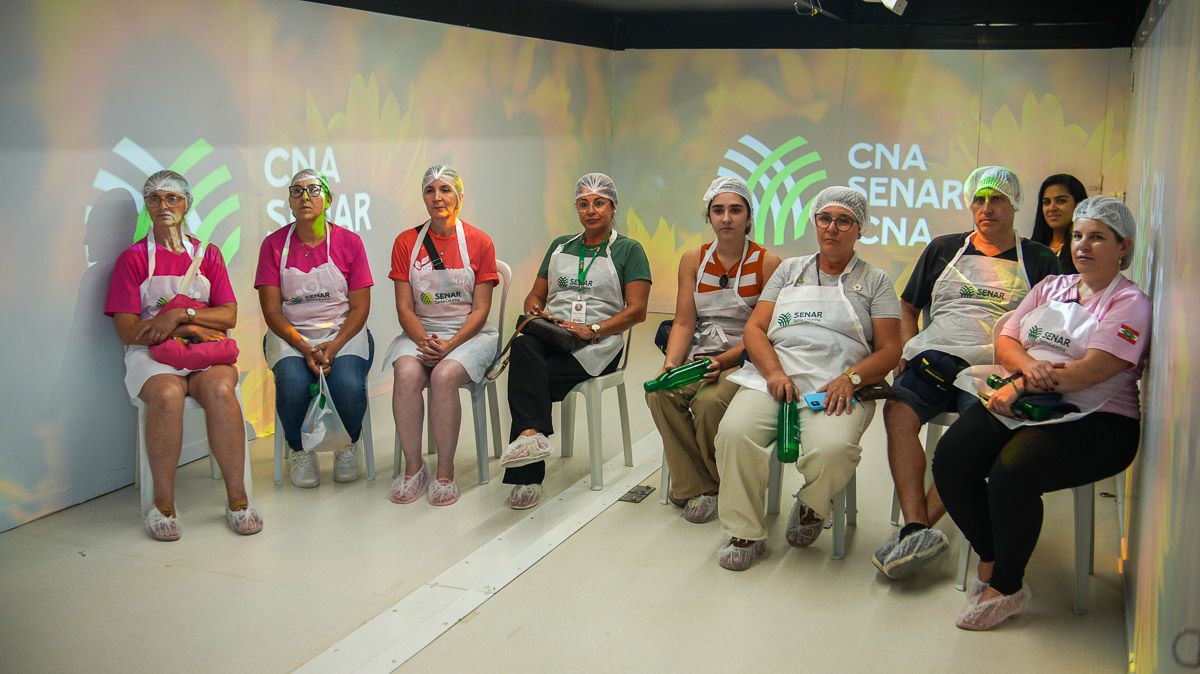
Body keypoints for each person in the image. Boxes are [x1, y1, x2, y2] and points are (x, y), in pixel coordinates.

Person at [932, 197, 1150, 630]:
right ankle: (992, 555)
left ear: (1123, 246)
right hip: (1030, 400)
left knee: (1012, 471)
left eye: (1097, 238)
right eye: (1078, 236)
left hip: (1100, 420)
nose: (1082, 245)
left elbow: (1092, 372)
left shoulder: (1130, 304)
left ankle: (1007, 585)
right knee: (952, 459)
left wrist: (1022, 382)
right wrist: (1027, 370)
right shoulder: (1051, 286)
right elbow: (1007, 341)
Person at [873, 166, 1061, 579]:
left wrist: (1024, 372)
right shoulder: (943, 248)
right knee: (897, 411)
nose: (987, 208)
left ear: (1015, 205)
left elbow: (1057, 325)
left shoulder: (1039, 259)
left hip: (995, 366)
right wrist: (907, 348)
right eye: (980, 199)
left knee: (969, 440)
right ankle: (916, 527)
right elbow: (907, 305)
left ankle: (917, 532)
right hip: (936, 354)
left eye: (997, 199)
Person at [713, 186, 901, 570]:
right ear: (815, 222)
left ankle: (813, 505)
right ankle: (745, 530)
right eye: (825, 218)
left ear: (860, 228)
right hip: (777, 376)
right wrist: (773, 372)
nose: (832, 228)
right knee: (734, 433)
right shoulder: (789, 270)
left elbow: (889, 350)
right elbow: (755, 329)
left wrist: (851, 378)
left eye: (844, 221)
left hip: (837, 385)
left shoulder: (876, 280)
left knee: (832, 449)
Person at [104, 170, 262, 540]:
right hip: (152, 355)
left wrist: (178, 317)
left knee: (221, 390)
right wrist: (193, 327)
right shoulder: (133, 259)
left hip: (203, 352)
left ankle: (238, 500)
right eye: (154, 199)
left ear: (186, 203)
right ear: (146, 206)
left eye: (172, 198)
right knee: (167, 394)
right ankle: (163, 505)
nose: (164, 205)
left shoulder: (208, 255)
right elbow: (128, 331)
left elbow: (229, 315)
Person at [498, 173, 651, 510]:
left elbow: (638, 311)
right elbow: (534, 296)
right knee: (523, 346)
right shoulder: (560, 246)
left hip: (600, 344)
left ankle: (527, 470)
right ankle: (531, 438)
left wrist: (593, 329)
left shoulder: (629, 250)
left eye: (599, 203)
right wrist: (537, 312)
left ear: (613, 207)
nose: (591, 210)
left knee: (528, 375)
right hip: (556, 335)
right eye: (583, 204)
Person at [646, 176, 780, 523]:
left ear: (748, 217)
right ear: (709, 217)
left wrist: (723, 361)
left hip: (745, 359)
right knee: (660, 393)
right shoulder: (694, 259)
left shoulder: (768, 263)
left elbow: (764, 331)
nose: (726, 218)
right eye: (718, 210)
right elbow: (683, 322)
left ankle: (707, 484)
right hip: (701, 352)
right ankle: (702, 484)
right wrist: (671, 363)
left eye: (735, 210)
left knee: (708, 404)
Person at [384, 165, 499, 506]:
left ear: (459, 196)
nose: (437, 197)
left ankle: (445, 471)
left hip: (469, 334)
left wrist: (449, 345)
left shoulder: (480, 242)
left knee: (445, 375)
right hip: (421, 331)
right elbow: (404, 308)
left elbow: (480, 310)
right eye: (430, 190)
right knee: (406, 372)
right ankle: (414, 467)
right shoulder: (406, 242)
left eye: (445, 189)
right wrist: (425, 342)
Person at [255, 169, 374, 488]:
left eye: (313, 190)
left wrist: (333, 347)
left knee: (347, 386)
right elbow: (271, 311)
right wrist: (305, 347)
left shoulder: (350, 242)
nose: (304, 197)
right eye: (297, 191)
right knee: (293, 386)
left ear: (328, 200)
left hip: (343, 334)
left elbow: (360, 307)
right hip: (291, 337)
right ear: (289, 202)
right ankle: (300, 449)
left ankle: (348, 445)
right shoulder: (273, 245)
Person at [1030, 173, 1088, 274]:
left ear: (1078, 204)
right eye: (1047, 202)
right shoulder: (1032, 247)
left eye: (1061, 201)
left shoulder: (1085, 249)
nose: (1052, 208)